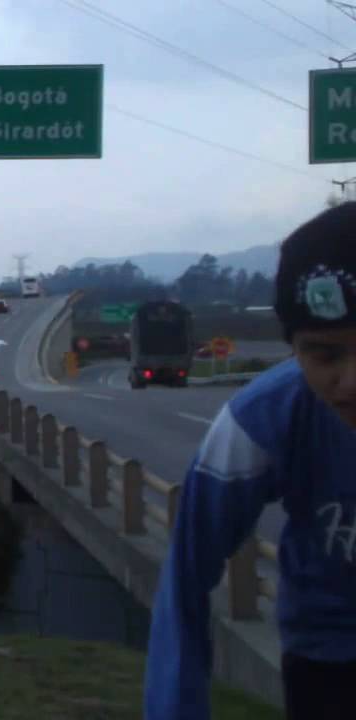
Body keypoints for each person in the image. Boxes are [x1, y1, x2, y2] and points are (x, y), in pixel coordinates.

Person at [144, 201, 356, 720]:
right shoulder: (261, 419)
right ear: (293, 350)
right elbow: (186, 578)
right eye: (325, 356)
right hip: (331, 660)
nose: (350, 384)